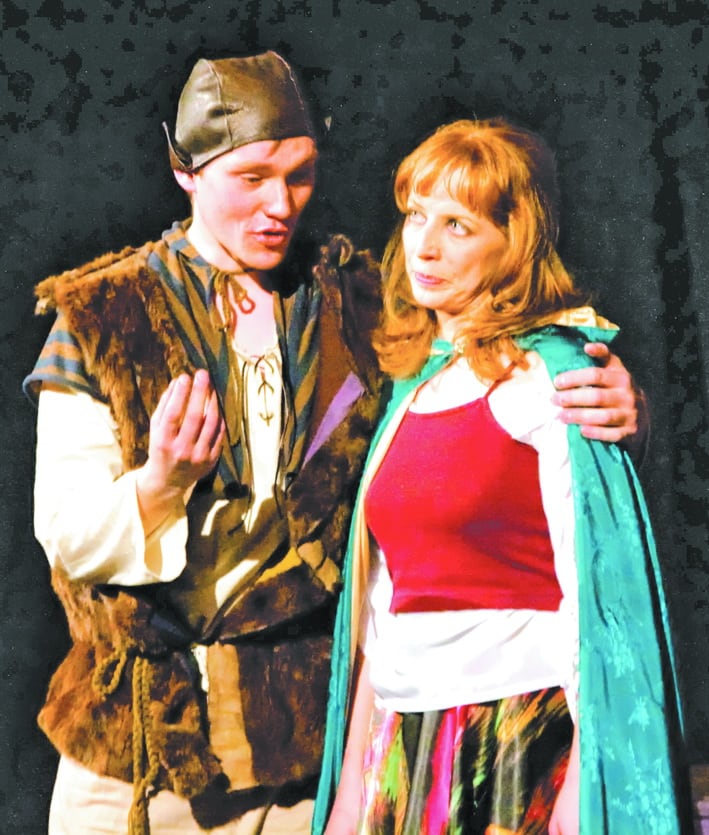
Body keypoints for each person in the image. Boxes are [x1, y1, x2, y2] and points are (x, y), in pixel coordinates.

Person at [23, 52, 647, 835]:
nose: (279, 204)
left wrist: (616, 402)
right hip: (147, 747)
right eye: (251, 178)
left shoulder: (356, 298)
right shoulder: (100, 316)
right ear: (184, 171)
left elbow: (484, 369)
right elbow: (69, 535)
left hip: (302, 744)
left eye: (299, 175)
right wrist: (160, 483)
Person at [313, 118, 688, 834]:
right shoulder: (414, 384)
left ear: (513, 240)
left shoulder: (553, 377)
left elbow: (595, 599)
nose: (423, 246)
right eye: (416, 215)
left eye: (457, 225)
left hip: (515, 738)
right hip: (405, 739)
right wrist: (352, 792)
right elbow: (383, 605)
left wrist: (585, 782)